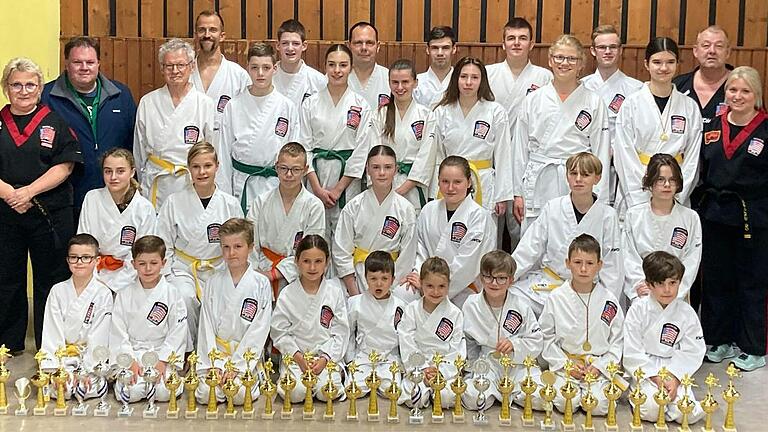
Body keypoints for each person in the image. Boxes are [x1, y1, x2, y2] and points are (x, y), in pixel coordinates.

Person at [0, 57, 82, 353]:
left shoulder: (56, 121)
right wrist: (11, 193)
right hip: (5, 211)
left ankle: (49, 341)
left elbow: (66, 165)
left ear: (39, 88)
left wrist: (29, 192)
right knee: (7, 276)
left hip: (49, 212)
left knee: (51, 277)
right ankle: (8, 343)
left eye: (30, 84)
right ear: (6, 88)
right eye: (16, 84)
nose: (23, 91)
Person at [698, 66, 768, 371]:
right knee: (716, 279)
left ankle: (754, 346)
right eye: (732, 90)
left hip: (753, 216)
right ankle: (718, 339)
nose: (738, 96)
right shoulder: (713, 126)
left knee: (752, 282)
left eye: (745, 91)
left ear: (756, 96)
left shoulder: (765, 130)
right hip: (715, 213)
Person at [512, 35, 609, 232]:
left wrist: (599, 194)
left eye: (571, 59)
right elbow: (519, 150)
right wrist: (517, 193)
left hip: (577, 180)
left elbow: (601, 152)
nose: (564, 63)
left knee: (577, 239)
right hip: (540, 178)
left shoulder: (593, 102)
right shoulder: (533, 100)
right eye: (559, 58)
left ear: (581, 63)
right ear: (550, 60)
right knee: (535, 240)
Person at [512, 153, 621, 316]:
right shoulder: (553, 207)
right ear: (567, 176)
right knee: (513, 298)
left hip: (587, 288)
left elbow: (612, 264)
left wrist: (608, 300)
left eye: (585, 174)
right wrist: (507, 276)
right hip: (549, 285)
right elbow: (529, 248)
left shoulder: (608, 215)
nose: (578, 179)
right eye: (573, 173)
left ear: (597, 178)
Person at [156, 142, 242, 345]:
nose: (202, 172)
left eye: (207, 166)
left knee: (225, 300)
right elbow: (164, 243)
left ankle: (214, 353)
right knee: (184, 297)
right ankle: (187, 353)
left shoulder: (230, 204)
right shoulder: (173, 202)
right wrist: (167, 274)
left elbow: (240, 243)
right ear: (188, 169)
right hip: (184, 268)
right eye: (196, 167)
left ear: (217, 166)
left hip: (220, 267)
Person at [42, 36, 136, 221]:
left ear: (98, 63)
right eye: (77, 62)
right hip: (66, 197)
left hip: (114, 193)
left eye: (90, 62)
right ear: (66, 63)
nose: (84, 67)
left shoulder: (120, 95)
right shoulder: (47, 97)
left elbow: (133, 143)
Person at [535, 234, 625, 415]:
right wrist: (565, 364)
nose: (583, 269)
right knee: (564, 401)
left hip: (598, 367)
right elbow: (546, 337)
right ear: (567, 263)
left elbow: (618, 340)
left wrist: (600, 366)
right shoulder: (556, 298)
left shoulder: (609, 300)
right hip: (567, 366)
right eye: (577, 262)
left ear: (599, 265)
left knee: (600, 406)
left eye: (590, 263)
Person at [614, 37, 702, 214]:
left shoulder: (689, 106)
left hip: (675, 191)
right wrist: (642, 196)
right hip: (637, 191)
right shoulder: (632, 104)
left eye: (670, 62)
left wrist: (676, 193)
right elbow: (624, 154)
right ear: (646, 64)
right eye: (657, 62)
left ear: (677, 63)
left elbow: (692, 157)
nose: (663, 68)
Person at [485, 17, 552, 248]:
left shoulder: (545, 77)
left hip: (526, 158)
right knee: (489, 224)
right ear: (502, 43)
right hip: (492, 157)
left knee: (520, 226)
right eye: (511, 38)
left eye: (522, 38)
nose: (516, 43)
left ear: (531, 44)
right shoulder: (488, 74)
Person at [299, 44, 375, 245]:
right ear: (324, 67)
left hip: (347, 180)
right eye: (332, 65)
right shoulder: (311, 103)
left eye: (343, 65)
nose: (337, 70)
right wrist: (316, 187)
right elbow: (304, 146)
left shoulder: (361, 105)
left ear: (351, 67)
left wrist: (339, 189)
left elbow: (361, 151)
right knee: (314, 233)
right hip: (316, 175)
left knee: (346, 234)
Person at [422, 56, 513, 217]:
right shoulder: (442, 111)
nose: (468, 82)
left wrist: (502, 195)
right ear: (456, 79)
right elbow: (436, 156)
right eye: (463, 77)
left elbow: (503, 155)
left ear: (482, 81)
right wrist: (435, 189)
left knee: (485, 235)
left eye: (474, 77)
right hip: (450, 183)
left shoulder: (496, 112)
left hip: (483, 181)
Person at [195, 218, 272, 405]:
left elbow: (259, 330)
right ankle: (216, 373)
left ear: (251, 247)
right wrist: (213, 365)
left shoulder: (261, 284)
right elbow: (206, 326)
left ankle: (241, 375)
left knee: (238, 394)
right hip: (218, 356)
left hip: (246, 356)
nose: (231, 253)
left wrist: (238, 367)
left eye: (238, 246)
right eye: (226, 247)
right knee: (206, 394)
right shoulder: (213, 281)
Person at [133, 38, 217, 209]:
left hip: (190, 181)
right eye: (169, 66)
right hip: (157, 179)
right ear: (162, 69)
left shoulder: (204, 103)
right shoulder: (148, 102)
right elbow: (139, 152)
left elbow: (211, 148)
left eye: (180, 65)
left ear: (191, 66)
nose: (175, 71)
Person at [623, 251, 705, 424]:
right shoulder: (638, 310)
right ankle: (655, 401)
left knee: (686, 413)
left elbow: (693, 350)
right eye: (660, 283)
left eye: (673, 283)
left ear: (680, 283)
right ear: (648, 284)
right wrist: (655, 376)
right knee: (651, 411)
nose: (667, 290)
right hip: (646, 369)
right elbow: (632, 350)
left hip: (674, 367)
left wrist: (674, 377)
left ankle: (674, 404)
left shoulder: (686, 313)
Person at [217, 42, 300, 213]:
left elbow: (294, 153)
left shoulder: (287, 106)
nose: (260, 73)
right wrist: (226, 195)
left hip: (276, 183)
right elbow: (223, 154)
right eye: (255, 67)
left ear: (274, 69)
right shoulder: (234, 105)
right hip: (242, 183)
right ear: (247, 68)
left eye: (266, 67)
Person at [406, 156, 496, 306]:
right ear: (438, 182)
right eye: (445, 181)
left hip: (463, 288)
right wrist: (419, 275)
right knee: (403, 294)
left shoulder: (479, 216)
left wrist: (437, 286)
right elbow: (420, 248)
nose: (450, 188)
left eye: (457, 182)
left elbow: (468, 264)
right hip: (425, 282)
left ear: (468, 182)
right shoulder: (429, 210)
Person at [270, 234, 350, 403]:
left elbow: (341, 332)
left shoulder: (334, 292)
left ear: (327, 263)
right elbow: (279, 333)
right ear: (296, 262)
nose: (312, 267)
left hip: (325, 357)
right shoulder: (287, 294)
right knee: (296, 392)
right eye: (306, 261)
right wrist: (298, 357)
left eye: (318, 261)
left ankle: (331, 373)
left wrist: (324, 359)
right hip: (295, 358)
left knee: (326, 392)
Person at [461, 251, 543, 410]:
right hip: (488, 362)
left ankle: (511, 393)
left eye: (501, 278)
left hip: (516, 363)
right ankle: (498, 391)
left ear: (511, 280)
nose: (494, 283)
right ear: (480, 277)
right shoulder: (471, 305)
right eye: (488, 277)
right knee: (473, 398)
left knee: (539, 398)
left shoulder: (521, 305)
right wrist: (471, 368)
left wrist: (514, 344)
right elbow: (467, 341)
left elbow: (536, 339)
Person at [110, 235, 187, 403]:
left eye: (154, 263)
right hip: (133, 353)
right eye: (142, 264)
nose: (148, 269)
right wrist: (129, 361)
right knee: (130, 393)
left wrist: (163, 361)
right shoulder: (124, 294)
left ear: (164, 263)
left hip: (161, 352)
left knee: (164, 392)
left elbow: (177, 331)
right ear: (133, 264)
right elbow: (118, 332)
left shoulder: (172, 293)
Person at [334, 145, 417, 295]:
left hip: (390, 277)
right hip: (358, 275)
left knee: (407, 294)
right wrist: (354, 292)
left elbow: (407, 255)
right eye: (376, 167)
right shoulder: (354, 206)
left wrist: (388, 286)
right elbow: (341, 251)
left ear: (396, 169)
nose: (382, 173)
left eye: (388, 167)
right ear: (367, 169)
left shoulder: (406, 209)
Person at [247, 143, 325, 297]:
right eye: (284, 168)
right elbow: (250, 243)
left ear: (305, 170)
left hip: (300, 276)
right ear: (276, 167)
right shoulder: (261, 202)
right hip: (261, 272)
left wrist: (275, 274)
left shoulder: (314, 206)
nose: (289, 175)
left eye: (295, 170)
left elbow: (313, 252)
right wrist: (257, 275)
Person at [40, 234, 113, 399]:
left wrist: (86, 371)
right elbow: (52, 332)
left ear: (97, 261)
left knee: (85, 389)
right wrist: (58, 369)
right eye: (74, 257)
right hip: (63, 357)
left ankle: (86, 377)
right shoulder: (57, 291)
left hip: (89, 357)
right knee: (61, 390)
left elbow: (99, 336)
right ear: (67, 260)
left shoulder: (103, 293)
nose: (79, 262)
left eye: (86, 257)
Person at [622, 154, 702, 303]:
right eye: (660, 179)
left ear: (678, 184)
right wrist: (642, 286)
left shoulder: (690, 218)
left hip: (676, 294)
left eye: (672, 180)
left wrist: (673, 291)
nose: (667, 185)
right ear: (650, 182)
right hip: (643, 293)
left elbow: (692, 261)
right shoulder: (634, 215)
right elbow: (629, 257)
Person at [77, 147, 156, 293]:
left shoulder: (144, 208)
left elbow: (143, 254)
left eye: (120, 171)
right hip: (94, 273)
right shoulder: (92, 198)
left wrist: (114, 285)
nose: (113, 177)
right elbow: (83, 243)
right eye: (108, 171)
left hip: (131, 276)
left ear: (132, 172)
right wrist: (95, 280)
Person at [582, 25, 643, 205]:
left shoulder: (636, 89)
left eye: (613, 47)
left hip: (621, 166)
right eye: (602, 47)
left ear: (620, 50)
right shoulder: (581, 87)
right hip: (586, 165)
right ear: (593, 51)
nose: (607, 52)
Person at [398, 257, 466, 409]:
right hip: (418, 363)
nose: (435, 292)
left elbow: (458, 348)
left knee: (447, 398)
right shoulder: (412, 309)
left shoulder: (455, 313)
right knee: (415, 398)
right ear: (421, 284)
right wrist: (421, 369)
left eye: (441, 286)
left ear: (449, 286)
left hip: (443, 366)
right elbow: (406, 340)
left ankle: (437, 388)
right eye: (429, 286)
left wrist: (440, 372)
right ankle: (425, 388)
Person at [375, 59, 435, 212]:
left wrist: (404, 188)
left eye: (405, 82)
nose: (400, 87)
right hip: (383, 186)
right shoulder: (379, 114)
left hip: (413, 188)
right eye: (395, 82)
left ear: (415, 82)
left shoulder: (426, 115)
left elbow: (426, 157)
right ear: (389, 83)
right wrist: (384, 189)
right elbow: (373, 152)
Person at [346, 251, 407, 397]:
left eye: (384, 278)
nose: (379, 284)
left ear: (392, 280)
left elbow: (405, 337)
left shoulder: (401, 306)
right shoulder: (355, 303)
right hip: (364, 356)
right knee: (355, 391)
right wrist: (350, 360)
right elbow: (348, 333)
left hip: (389, 358)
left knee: (390, 392)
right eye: (373, 278)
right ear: (365, 278)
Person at [190, 10, 250, 131]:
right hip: (191, 145)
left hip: (225, 145)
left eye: (213, 30)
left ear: (222, 36)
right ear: (196, 35)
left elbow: (248, 116)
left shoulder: (238, 75)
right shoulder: (185, 72)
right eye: (202, 30)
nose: (207, 35)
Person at [673, 25, 733, 125]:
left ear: (727, 52)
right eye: (706, 45)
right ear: (695, 51)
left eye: (719, 46)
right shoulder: (678, 85)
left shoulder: (743, 87)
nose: (712, 51)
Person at [273, 19, 328, 106]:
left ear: (304, 46)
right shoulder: (268, 75)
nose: (290, 48)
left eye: (295, 43)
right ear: (278, 45)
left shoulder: (318, 80)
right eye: (285, 43)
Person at [347, 21, 390, 109]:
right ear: (349, 46)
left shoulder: (390, 78)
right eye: (358, 43)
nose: (364, 48)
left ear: (378, 46)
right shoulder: (335, 77)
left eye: (369, 43)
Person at [413, 26, 457, 108]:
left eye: (445, 48)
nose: (440, 53)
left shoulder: (461, 82)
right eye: (435, 48)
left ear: (454, 49)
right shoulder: (416, 83)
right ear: (427, 49)